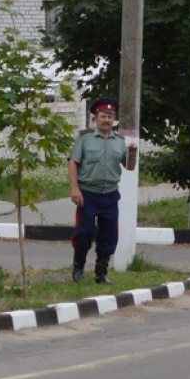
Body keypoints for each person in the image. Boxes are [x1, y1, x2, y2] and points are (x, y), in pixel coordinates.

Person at [68, 97, 138, 283]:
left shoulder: (119, 141)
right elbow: (73, 162)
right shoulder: (84, 138)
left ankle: (101, 273)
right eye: (103, 116)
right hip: (88, 194)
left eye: (110, 117)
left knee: (109, 234)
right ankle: (78, 268)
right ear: (95, 118)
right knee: (85, 232)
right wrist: (75, 189)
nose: (107, 120)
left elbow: (129, 167)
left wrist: (132, 154)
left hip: (110, 195)